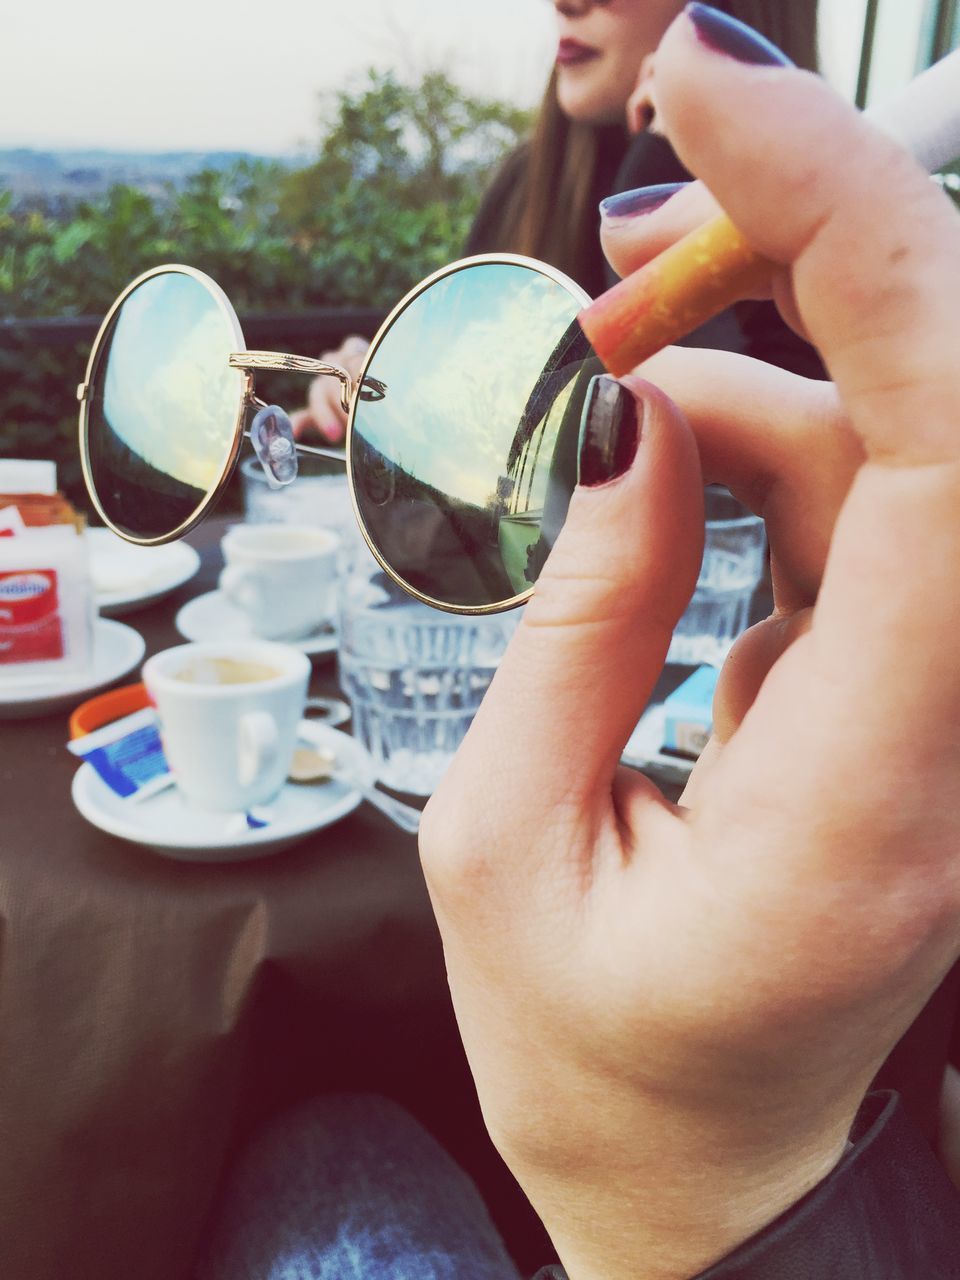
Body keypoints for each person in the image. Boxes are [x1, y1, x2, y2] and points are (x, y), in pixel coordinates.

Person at [197, 7, 960, 1277]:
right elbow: (489, 461)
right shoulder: (528, 189)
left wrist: (694, 1197)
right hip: (635, 871)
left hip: (719, 818)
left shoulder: (769, 275)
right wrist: (391, 410)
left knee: (322, 1142)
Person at [291, 0, 823, 443]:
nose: (565, 3)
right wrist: (383, 375)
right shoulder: (528, 184)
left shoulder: (815, 225)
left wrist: (663, 153)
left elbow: (696, 465)